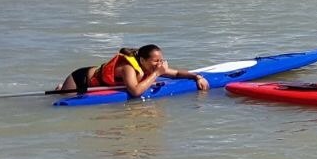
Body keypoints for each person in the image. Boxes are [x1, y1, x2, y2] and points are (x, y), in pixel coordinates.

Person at [56, 44, 208, 98]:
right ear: (142, 61)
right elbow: (135, 92)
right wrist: (156, 74)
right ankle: (61, 88)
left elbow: (176, 74)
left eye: (161, 60)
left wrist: (197, 77)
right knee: (61, 97)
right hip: (81, 79)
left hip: (95, 83)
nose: (160, 64)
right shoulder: (128, 68)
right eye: (155, 61)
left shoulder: (151, 66)